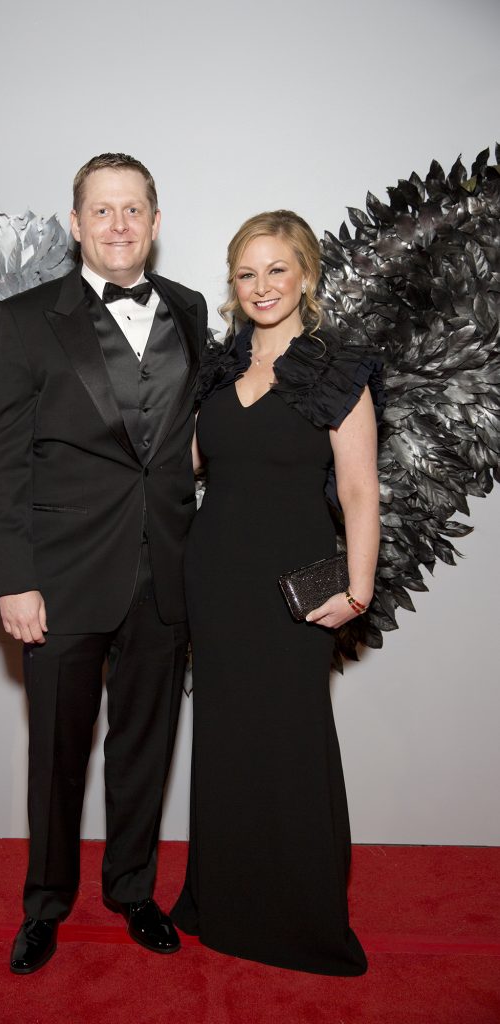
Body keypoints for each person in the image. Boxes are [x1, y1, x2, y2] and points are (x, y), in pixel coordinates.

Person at [0, 153, 208, 974]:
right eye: (101, 210)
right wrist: (13, 580)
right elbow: (0, 463)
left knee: (146, 747)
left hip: (165, 571)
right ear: (76, 224)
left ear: (155, 220)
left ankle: (132, 890)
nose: (118, 225)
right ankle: (44, 906)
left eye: (133, 209)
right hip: (62, 576)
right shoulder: (25, 319)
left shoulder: (190, 309)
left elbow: (183, 438)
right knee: (57, 756)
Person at [171, 210, 382, 975]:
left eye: (276, 270)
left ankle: (300, 919)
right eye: (246, 273)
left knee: (292, 744)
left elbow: (359, 491)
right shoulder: (218, 371)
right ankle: (223, 903)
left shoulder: (336, 371)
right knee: (226, 742)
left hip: (294, 590)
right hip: (215, 581)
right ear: (234, 284)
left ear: (306, 275)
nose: (262, 286)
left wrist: (358, 589)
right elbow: (181, 469)